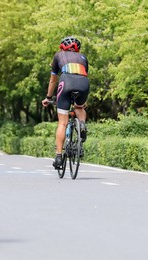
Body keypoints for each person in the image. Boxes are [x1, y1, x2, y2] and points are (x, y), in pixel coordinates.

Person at [42, 36, 90, 169]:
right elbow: (84, 75)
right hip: (83, 83)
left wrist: (48, 97)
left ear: (62, 46)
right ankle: (82, 125)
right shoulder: (83, 57)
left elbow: (53, 80)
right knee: (79, 107)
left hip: (66, 81)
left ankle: (58, 157)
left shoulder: (58, 56)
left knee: (62, 123)